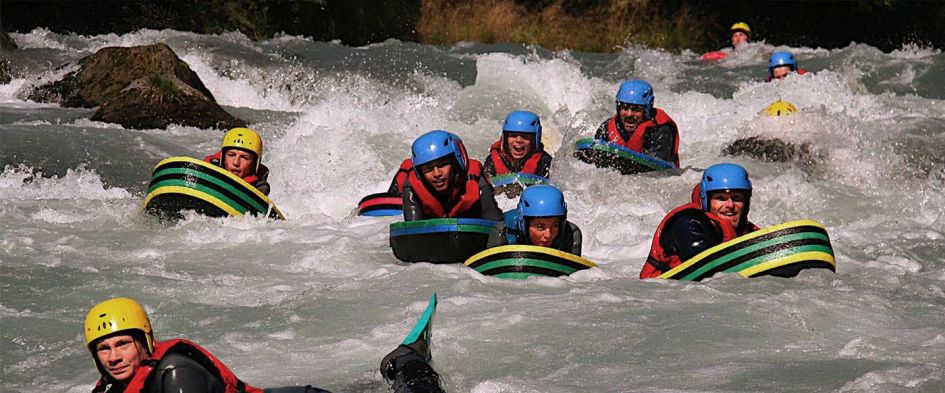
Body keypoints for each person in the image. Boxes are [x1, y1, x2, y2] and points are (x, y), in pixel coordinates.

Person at [84, 297, 443, 393]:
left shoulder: (175, 375)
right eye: (104, 349)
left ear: (144, 343)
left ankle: (407, 362)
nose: (114, 357)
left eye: (122, 344)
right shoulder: (109, 388)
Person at [639, 163, 760, 279]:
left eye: (737, 198)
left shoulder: (745, 229)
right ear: (706, 200)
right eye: (720, 198)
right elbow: (707, 270)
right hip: (664, 292)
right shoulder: (688, 224)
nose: (730, 205)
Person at [401, 130, 502, 221]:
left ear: (455, 164)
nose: (437, 174)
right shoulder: (412, 186)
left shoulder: (474, 180)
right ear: (420, 173)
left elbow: (494, 224)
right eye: (428, 168)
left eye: (442, 164)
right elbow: (413, 232)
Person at [594, 80, 679, 166]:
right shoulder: (606, 128)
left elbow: (658, 168)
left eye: (636, 109)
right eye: (625, 108)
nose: (629, 114)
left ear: (647, 110)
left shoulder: (661, 130)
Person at [486, 184, 582, 255]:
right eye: (540, 227)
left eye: (555, 225)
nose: (548, 235)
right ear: (524, 224)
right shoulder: (503, 232)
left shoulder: (571, 234)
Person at [483, 111, 553, 179]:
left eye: (525, 137)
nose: (518, 140)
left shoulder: (545, 163)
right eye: (513, 136)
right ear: (505, 139)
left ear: (533, 141)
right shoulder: (492, 161)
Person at [204, 127, 271, 195]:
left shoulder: (259, 189)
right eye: (231, 155)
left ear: (254, 164)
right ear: (223, 158)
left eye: (244, 158)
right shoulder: (206, 171)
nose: (236, 163)